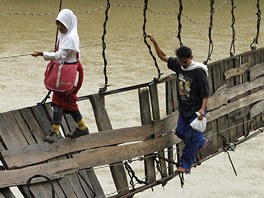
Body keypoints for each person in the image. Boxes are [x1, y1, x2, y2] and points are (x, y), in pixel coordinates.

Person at [148, 35, 209, 173]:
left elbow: (205, 93)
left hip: (196, 110)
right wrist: (155, 43)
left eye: (185, 62)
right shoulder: (179, 65)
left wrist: (202, 110)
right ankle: (201, 141)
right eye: (181, 62)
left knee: (191, 137)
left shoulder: (199, 71)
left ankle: (185, 165)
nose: (183, 65)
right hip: (184, 109)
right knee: (181, 132)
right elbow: (163, 57)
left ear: (191, 57)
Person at [32, 9, 89, 143]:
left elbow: (59, 55)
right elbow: (59, 52)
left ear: (69, 24)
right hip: (65, 72)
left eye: (62, 25)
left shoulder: (70, 38)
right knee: (69, 102)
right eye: (57, 24)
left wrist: (42, 53)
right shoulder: (64, 35)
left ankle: (54, 131)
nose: (59, 28)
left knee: (58, 100)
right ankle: (82, 128)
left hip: (70, 74)